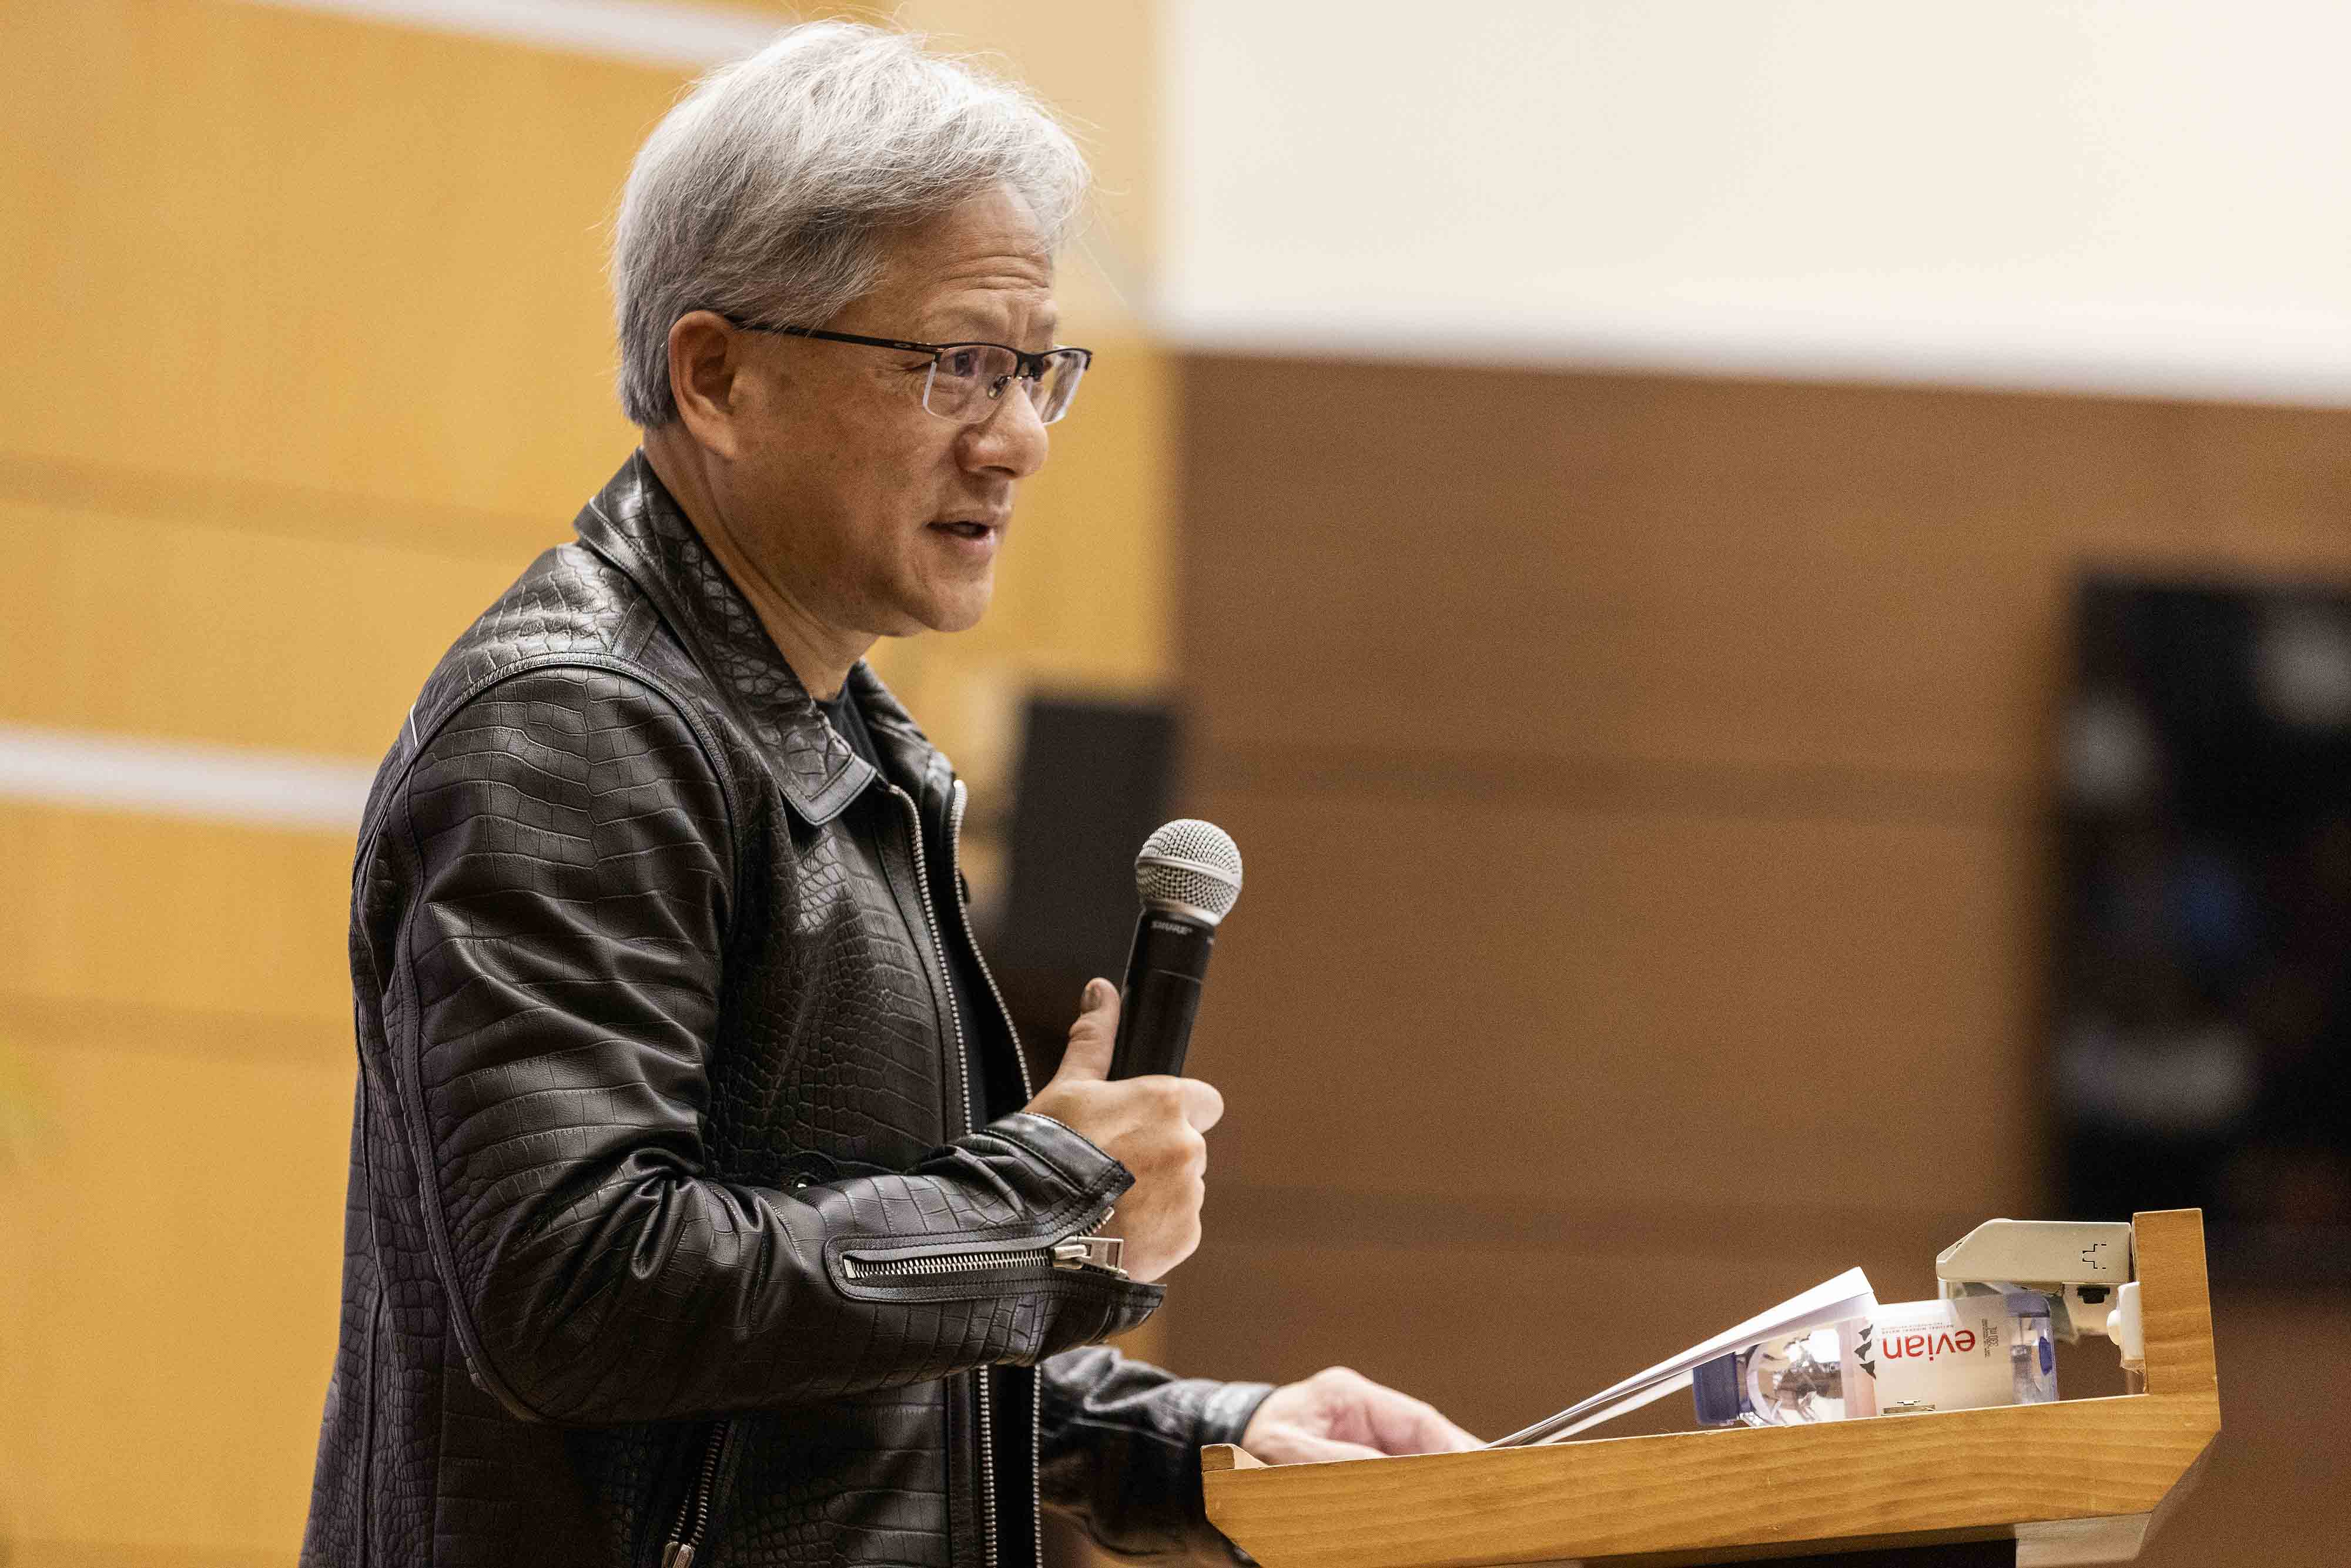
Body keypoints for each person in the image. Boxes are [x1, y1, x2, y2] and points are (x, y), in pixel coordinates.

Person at [302, 21, 1476, 1568]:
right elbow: (582, 1291)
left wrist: (1201, 1438)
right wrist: (1047, 1201)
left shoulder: (837, 744)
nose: (1019, 438)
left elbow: (828, 1365)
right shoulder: (577, 729)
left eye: (1037, 368)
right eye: (955, 365)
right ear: (717, 376)